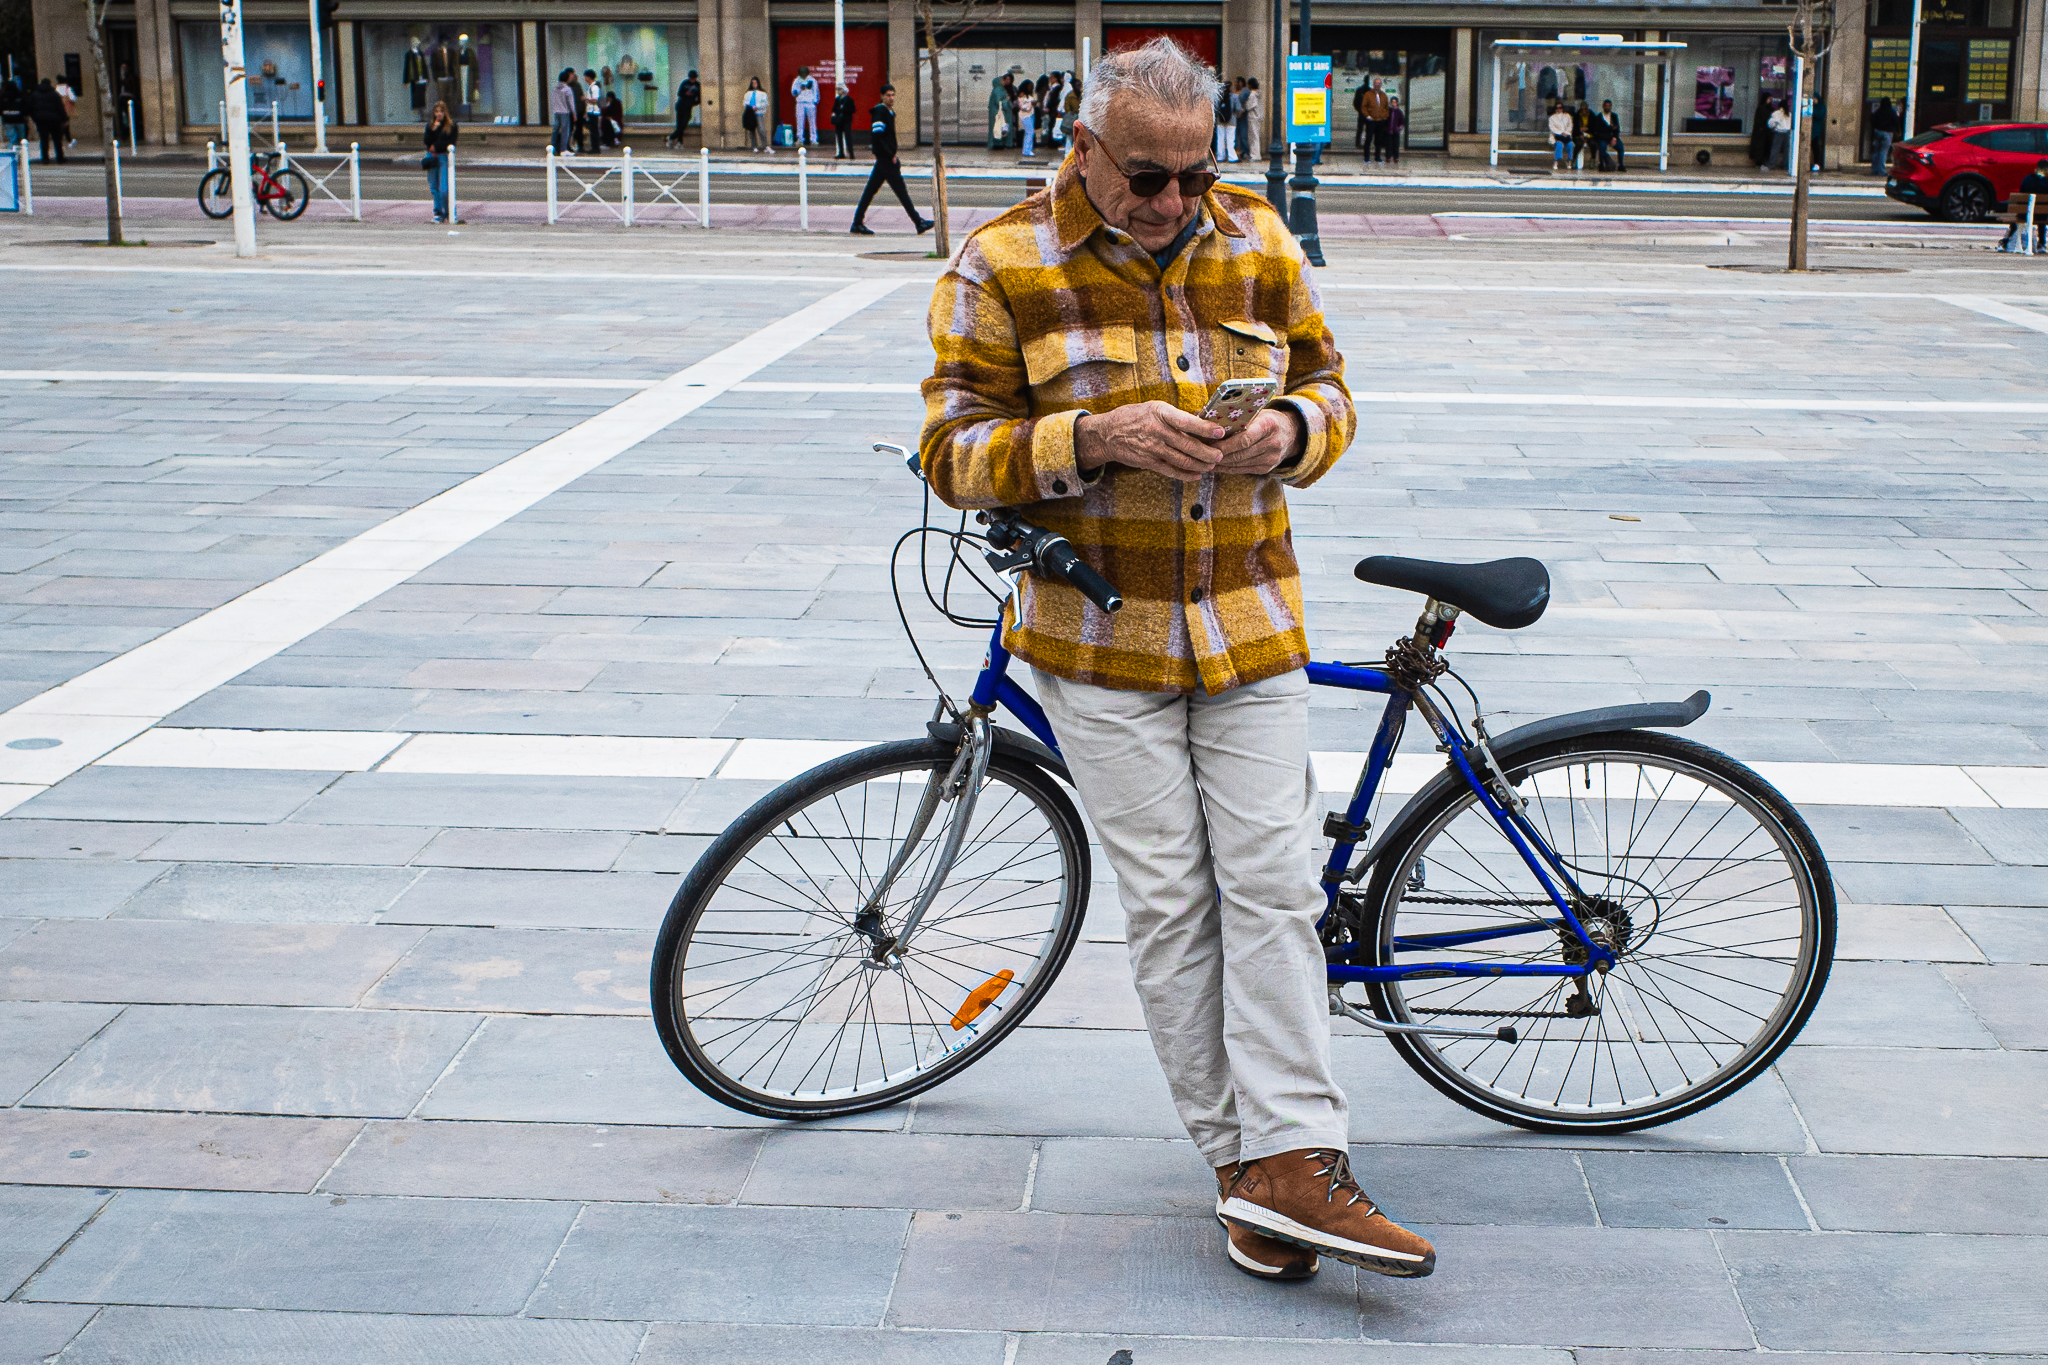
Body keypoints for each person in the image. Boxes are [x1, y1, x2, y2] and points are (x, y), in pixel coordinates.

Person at [920, 35, 1435, 1289]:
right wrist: (1088, 436)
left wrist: (1287, 433)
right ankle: (1247, 1172)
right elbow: (947, 449)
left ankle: (1295, 1157)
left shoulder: (1253, 237)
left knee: (1270, 889)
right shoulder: (999, 264)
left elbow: (1334, 391)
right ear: (1083, 148)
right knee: (1171, 906)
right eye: (1144, 176)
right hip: (1097, 638)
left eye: (1191, 176)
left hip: (1251, 618)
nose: (1168, 202)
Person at [849, 83, 932, 236]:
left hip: (885, 159)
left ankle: (857, 223)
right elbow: (877, 136)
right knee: (901, 191)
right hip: (886, 160)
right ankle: (919, 222)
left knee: (870, 191)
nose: (891, 98)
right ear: (882, 96)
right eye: (888, 95)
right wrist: (890, 155)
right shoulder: (880, 112)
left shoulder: (889, 112)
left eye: (893, 95)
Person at [1998, 158, 2048, 251]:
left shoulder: (2027, 179)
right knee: (2042, 218)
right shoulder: (2046, 182)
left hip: (2023, 214)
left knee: (2016, 218)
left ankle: (2006, 240)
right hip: (2040, 217)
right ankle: (2041, 244)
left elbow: (2021, 194)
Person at [423, 100, 457, 223]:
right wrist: (434, 129)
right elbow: (427, 141)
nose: (439, 114)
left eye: (441, 111)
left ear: (445, 112)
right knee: (434, 186)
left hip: (443, 156)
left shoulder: (451, 126)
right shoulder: (430, 125)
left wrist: (436, 146)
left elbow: (450, 141)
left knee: (444, 188)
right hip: (431, 156)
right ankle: (438, 212)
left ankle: (447, 212)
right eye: (437, 111)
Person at [29, 78, 65, 163]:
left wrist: (35, 118)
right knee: (57, 139)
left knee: (44, 140)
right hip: (54, 119)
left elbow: (30, 107)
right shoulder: (54, 94)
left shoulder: (35, 94)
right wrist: (64, 119)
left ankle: (45, 158)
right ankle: (60, 157)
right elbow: (60, 107)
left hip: (41, 120)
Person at [1359, 77, 1390, 163]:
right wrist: (1367, 116)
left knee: (1379, 140)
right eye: (1376, 83)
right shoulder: (1368, 94)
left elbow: (1386, 107)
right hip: (1371, 121)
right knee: (1368, 139)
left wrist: (1385, 116)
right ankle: (1366, 157)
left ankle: (1377, 157)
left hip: (1381, 121)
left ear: (1381, 85)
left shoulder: (1383, 95)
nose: (1377, 85)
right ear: (1373, 84)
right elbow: (1363, 106)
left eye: (1379, 83)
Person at [1591, 98, 1625, 171]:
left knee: (1620, 146)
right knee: (1602, 146)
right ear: (1603, 106)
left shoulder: (1614, 116)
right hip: (1602, 137)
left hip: (1611, 137)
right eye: (1606, 106)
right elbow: (1598, 131)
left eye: (1609, 106)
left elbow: (1617, 129)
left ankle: (1621, 164)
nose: (1607, 107)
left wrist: (1615, 137)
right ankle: (1601, 163)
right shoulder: (1598, 117)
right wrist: (1610, 128)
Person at [549, 69, 577, 154]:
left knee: (556, 129)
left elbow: (553, 100)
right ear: (567, 79)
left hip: (556, 111)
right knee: (565, 130)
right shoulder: (567, 89)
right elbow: (571, 103)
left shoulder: (555, 88)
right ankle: (563, 149)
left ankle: (553, 147)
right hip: (565, 111)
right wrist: (574, 113)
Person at [1869, 96, 1899, 176]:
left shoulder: (1878, 112)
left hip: (1877, 132)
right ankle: (1881, 170)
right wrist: (1897, 131)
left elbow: (1872, 121)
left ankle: (1874, 170)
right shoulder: (1891, 112)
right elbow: (1896, 121)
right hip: (1887, 133)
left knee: (1876, 152)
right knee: (1883, 152)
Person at [791, 65, 821, 146]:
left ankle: (813, 139)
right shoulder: (797, 80)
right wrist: (800, 89)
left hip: (810, 103)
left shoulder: (812, 80)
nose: (803, 74)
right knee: (800, 121)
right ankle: (800, 138)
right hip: (800, 102)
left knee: (812, 122)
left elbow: (816, 91)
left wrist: (815, 101)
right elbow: (793, 92)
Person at [671, 70, 700, 148]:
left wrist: (694, 103)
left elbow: (700, 97)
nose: (692, 80)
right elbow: (679, 93)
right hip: (681, 105)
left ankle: (672, 137)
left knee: (684, 123)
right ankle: (679, 142)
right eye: (691, 78)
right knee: (679, 124)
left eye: (694, 78)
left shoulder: (698, 85)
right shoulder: (685, 83)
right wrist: (685, 94)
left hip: (688, 106)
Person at [742, 75, 770, 153]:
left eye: (755, 83)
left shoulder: (762, 93)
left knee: (761, 130)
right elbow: (744, 102)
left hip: (759, 113)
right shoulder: (748, 93)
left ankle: (765, 146)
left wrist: (757, 107)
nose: (754, 84)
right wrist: (749, 106)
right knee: (752, 130)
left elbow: (765, 103)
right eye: (753, 83)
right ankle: (754, 146)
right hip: (750, 113)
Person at [1014, 78, 1039, 159]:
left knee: (1029, 132)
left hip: (1030, 115)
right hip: (1025, 115)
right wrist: (1031, 104)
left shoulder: (1029, 95)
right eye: (1029, 86)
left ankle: (1028, 149)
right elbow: (1023, 107)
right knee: (1030, 132)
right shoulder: (1022, 95)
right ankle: (1026, 150)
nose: (1030, 88)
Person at [1749, 95, 1777, 168]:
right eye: (1768, 99)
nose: (1770, 101)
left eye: (1771, 99)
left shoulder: (1770, 109)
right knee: (1759, 148)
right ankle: (1758, 162)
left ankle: (1763, 161)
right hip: (1760, 132)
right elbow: (1758, 120)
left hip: (1767, 132)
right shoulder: (1760, 108)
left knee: (1766, 147)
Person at [580, 69, 603, 155]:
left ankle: (596, 148)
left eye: (586, 77)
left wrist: (585, 99)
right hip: (591, 111)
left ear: (589, 77)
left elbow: (595, 100)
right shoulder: (591, 87)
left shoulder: (595, 87)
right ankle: (594, 147)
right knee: (592, 130)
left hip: (594, 112)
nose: (585, 79)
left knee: (594, 130)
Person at [831, 82, 857, 159]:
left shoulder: (849, 100)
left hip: (846, 120)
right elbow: (834, 109)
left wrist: (844, 110)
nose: (838, 91)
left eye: (839, 89)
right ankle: (841, 152)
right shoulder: (837, 99)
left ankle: (851, 153)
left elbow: (853, 110)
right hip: (839, 121)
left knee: (848, 137)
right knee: (839, 137)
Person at [1213, 76, 1236, 163]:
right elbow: (1237, 108)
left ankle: (1220, 156)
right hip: (1231, 121)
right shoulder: (1234, 97)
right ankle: (1232, 157)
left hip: (1220, 120)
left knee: (1220, 139)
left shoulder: (1219, 97)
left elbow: (1216, 108)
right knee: (1230, 139)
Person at [1548, 100, 1575, 170]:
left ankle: (1569, 161)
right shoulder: (1552, 118)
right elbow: (1552, 128)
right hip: (1557, 136)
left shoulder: (1567, 116)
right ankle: (1556, 161)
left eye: (1560, 107)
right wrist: (1561, 133)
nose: (1559, 109)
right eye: (1557, 108)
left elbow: (1570, 126)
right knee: (1559, 144)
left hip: (1566, 135)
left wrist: (1566, 133)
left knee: (1570, 145)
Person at [1767, 98, 1792, 170]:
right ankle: (1784, 165)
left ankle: (1771, 164)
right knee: (1787, 150)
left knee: (1775, 149)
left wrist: (1773, 128)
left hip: (1779, 132)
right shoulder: (1789, 114)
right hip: (1787, 133)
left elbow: (1771, 124)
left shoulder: (1776, 113)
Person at [1, 79, 26, 148]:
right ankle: (22, 149)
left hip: (7, 118)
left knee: (11, 136)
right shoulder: (19, 95)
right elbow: (24, 106)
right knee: (22, 136)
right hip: (19, 118)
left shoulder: (3, 96)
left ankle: (12, 148)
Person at [1240, 78, 1260, 161]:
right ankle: (1256, 154)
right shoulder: (1259, 93)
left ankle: (1254, 155)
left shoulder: (1252, 94)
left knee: (1253, 136)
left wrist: (1244, 107)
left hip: (1252, 117)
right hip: (1258, 116)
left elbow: (1249, 106)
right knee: (1256, 136)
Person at [1386, 94, 1405, 166]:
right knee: (1389, 144)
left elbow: (1402, 122)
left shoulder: (1399, 112)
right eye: (1392, 102)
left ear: (1397, 103)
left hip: (1395, 131)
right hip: (1389, 130)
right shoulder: (1389, 111)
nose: (1393, 104)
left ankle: (1396, 157)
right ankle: (1388, 156)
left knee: (1396, 144)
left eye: (1395, 102)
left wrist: (1399, 128)